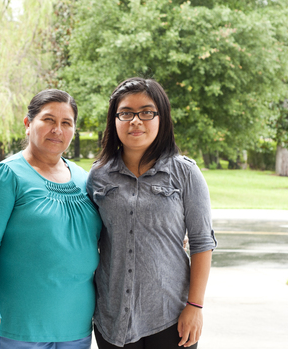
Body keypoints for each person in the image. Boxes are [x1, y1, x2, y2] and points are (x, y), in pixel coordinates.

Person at [87, 77, 217, 349]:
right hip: (112, 318)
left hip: (171, 315)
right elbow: (90, 240)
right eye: (126, 113)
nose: (136, 121)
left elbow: (202, 243)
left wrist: (195, 305)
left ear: (162, 118)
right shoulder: (98, 176)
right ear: (114, 119)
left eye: (146, 112)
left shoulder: (185, 173)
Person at [0, 89, 102, 349]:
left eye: (66, 123)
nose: (58, 130)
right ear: (28, 124)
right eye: (49, 120)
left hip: (76, 323)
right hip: (20, 324)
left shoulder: (84, 178)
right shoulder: (7, 176)